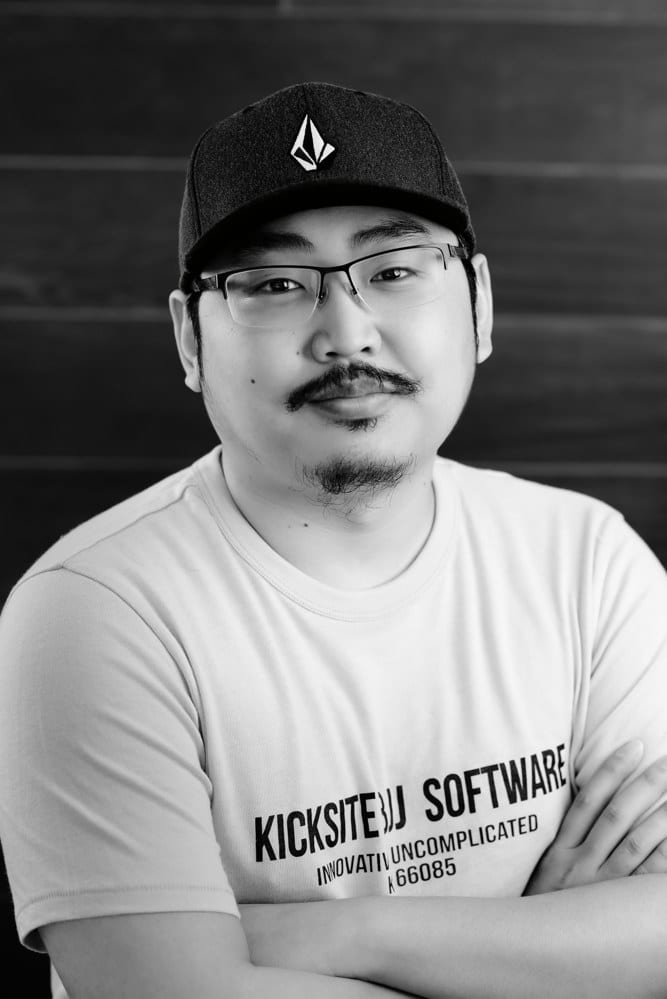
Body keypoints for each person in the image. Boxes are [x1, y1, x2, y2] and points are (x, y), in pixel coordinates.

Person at [1, 81, 666, 999]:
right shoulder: (93, 611)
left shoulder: (587, 562)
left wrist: (303, 938)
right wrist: (546, 955)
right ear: (190, 341)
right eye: (272, 284)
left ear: (475, 302)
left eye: (393, 269)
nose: (346, 333)